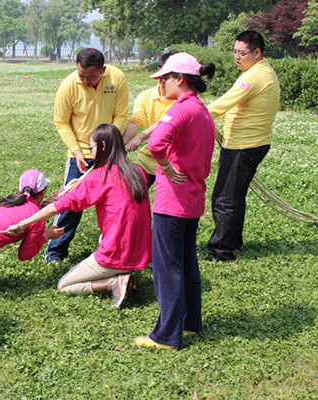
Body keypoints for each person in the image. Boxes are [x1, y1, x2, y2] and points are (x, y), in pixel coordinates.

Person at [7, 124, 152, 308]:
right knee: (104, 236)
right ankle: (121, 272)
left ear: (103, 147)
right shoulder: (137, 171)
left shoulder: (100, 176)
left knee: (65, 285)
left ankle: (114, 282)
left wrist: (22, 224)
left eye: (91, 147)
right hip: (142, 253)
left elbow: (60, 206)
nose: (90, 152)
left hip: (117, 255)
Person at [133, 53, 215, 350]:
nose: (161, 84)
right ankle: (190, 323)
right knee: (187, 263)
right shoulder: (202, 110)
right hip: (193, 200)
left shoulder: (179, 111)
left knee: (167, 267)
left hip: (172, 203)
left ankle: (167, 335)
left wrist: (164, 166)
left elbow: (155, 144)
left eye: (164, 78)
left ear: (180, 79)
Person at [45, 48, 130, 263]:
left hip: (110, 153)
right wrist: (76, 151)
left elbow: (120, 115)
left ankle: (116, 252)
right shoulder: (69, 85)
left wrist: (110, 145)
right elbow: (61, 121)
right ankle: (55, 252)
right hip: (80, 154)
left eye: (91, 76)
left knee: (115, 204)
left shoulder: (117, 78)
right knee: (70, 204)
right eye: (81, 75)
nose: (85, 81)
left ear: (103, 70)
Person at [206, 30, 280, 262]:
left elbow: (224, 103)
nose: (237, 57)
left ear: (257, 53)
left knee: (224, 198)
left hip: (244, 145)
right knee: (235, 196)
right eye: (235, 52)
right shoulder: (260, 70)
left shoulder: (254, 76)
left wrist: (190, 114)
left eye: (242, 53)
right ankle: (232, 241)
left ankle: (222, 250)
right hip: (248, 143)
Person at [123, 51, 177, 188]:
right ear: (159, 72)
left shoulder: (181, 99)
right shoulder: (145, 96)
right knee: (132, 194)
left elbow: (166, 122)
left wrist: (141, 136)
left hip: (174, 161)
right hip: (147, 161)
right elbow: (136, 121)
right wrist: (121, 144)